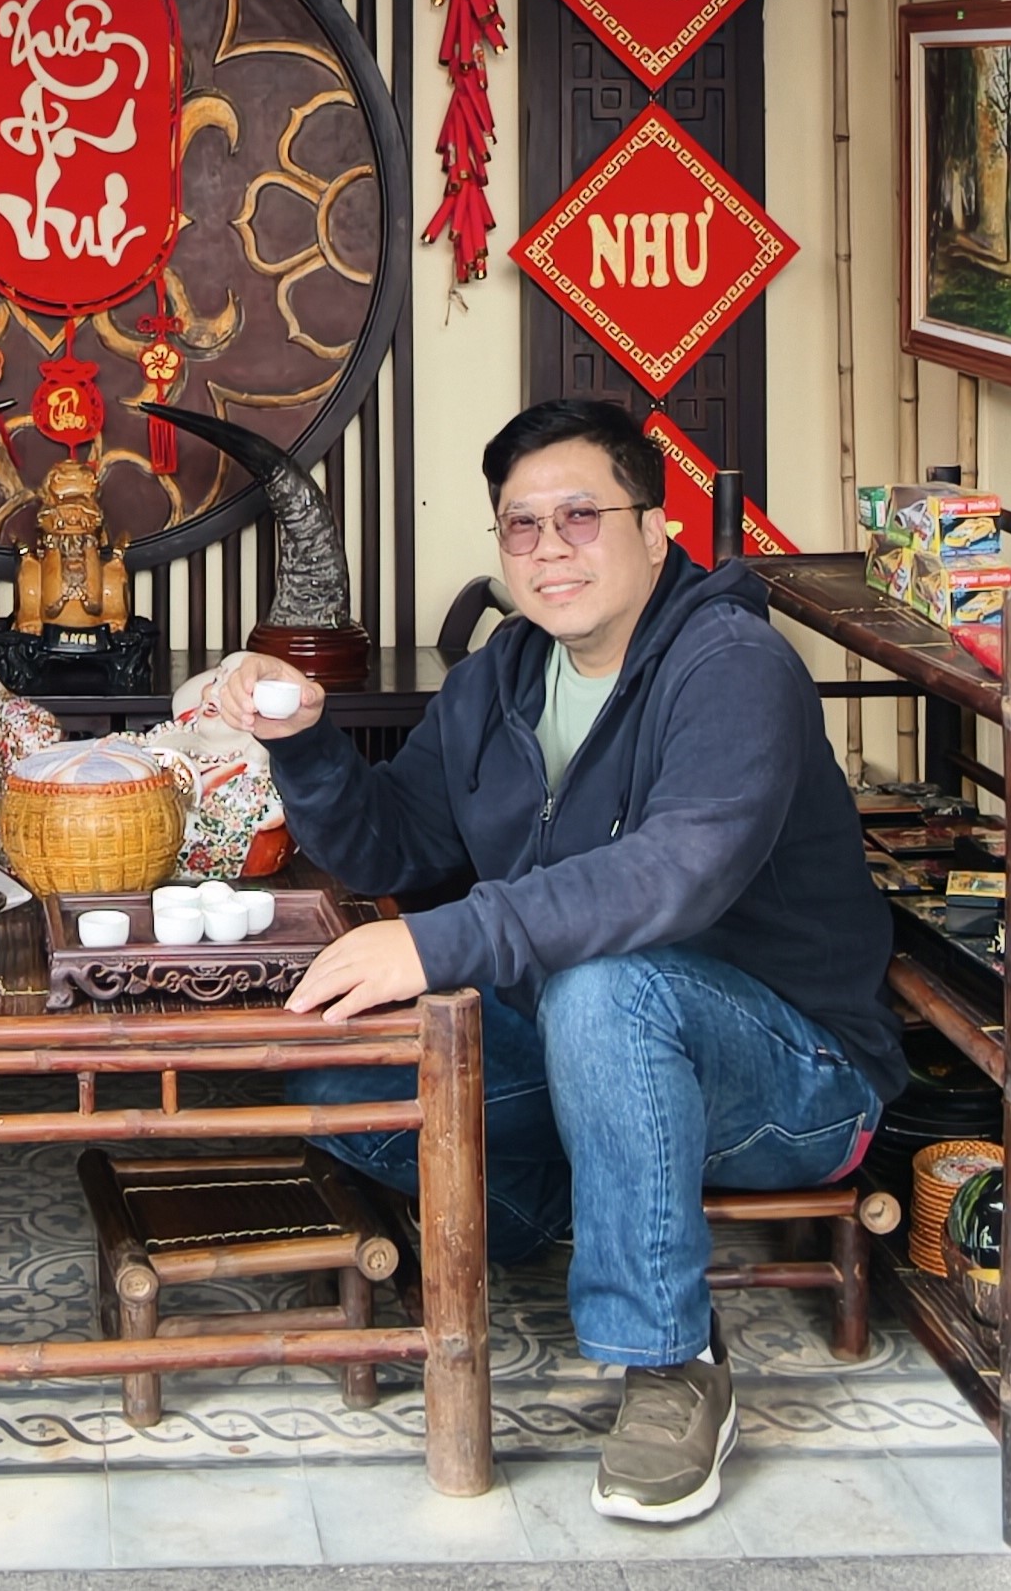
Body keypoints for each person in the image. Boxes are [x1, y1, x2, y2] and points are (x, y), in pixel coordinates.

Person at [212, 396, 905, 1531]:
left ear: (656, 528)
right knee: (332, 1064)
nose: (549, 549)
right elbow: (396, 842)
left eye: (582, 516)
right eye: (521, 525)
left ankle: (670, 1360)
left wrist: (431, 942)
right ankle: (567, 1203)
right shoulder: (502, 676)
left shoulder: (733, 665)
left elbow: (672, 876)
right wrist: (305, 742)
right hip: (580, 1042)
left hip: (796, 1070)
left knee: (608, 985)